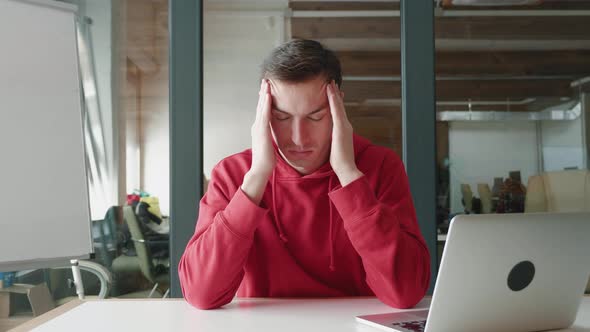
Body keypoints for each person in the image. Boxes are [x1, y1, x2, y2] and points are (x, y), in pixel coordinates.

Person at [179, 39, 430, 310]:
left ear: (338, 109)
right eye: (282, 117)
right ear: (263, 113)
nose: (299, 139)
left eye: (315, 117)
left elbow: (406, 292)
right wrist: (255, 179)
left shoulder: (380, 167)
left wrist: (348, 175)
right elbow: (200, 294)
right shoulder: (233, 173)